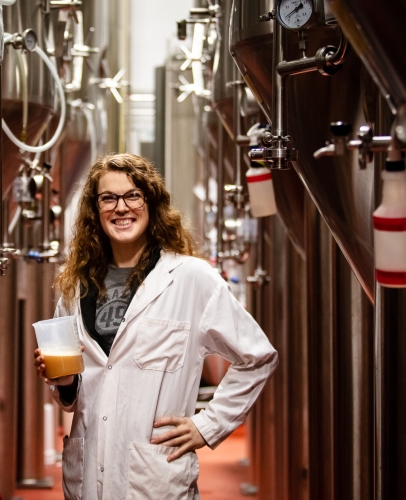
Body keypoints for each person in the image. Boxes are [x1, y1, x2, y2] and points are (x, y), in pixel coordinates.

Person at [34, 153, 278, 499]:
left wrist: (207, 425)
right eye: (108, 198)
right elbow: (76, 395)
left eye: (133, 195)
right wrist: (64, 383)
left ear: (150, 203)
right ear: (95, 209)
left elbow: (257, 357)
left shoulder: (191, 279)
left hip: (153, 483)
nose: (121, 207)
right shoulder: (76, 286)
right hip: (86, 480)